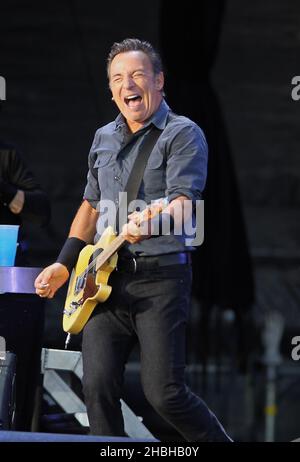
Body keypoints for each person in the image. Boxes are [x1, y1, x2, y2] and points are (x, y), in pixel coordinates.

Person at [35, 38, 232, 442]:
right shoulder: (102, 137)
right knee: (97, 389)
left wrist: (151, 222)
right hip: (103, 283)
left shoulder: (183, 134)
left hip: (160, 280)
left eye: (138, 75)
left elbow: (184, 204)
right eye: (118, 78)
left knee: (164, 393)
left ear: (159, 81)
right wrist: (63, 262)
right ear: (111, 90)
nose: (129, 84)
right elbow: (91, 206)